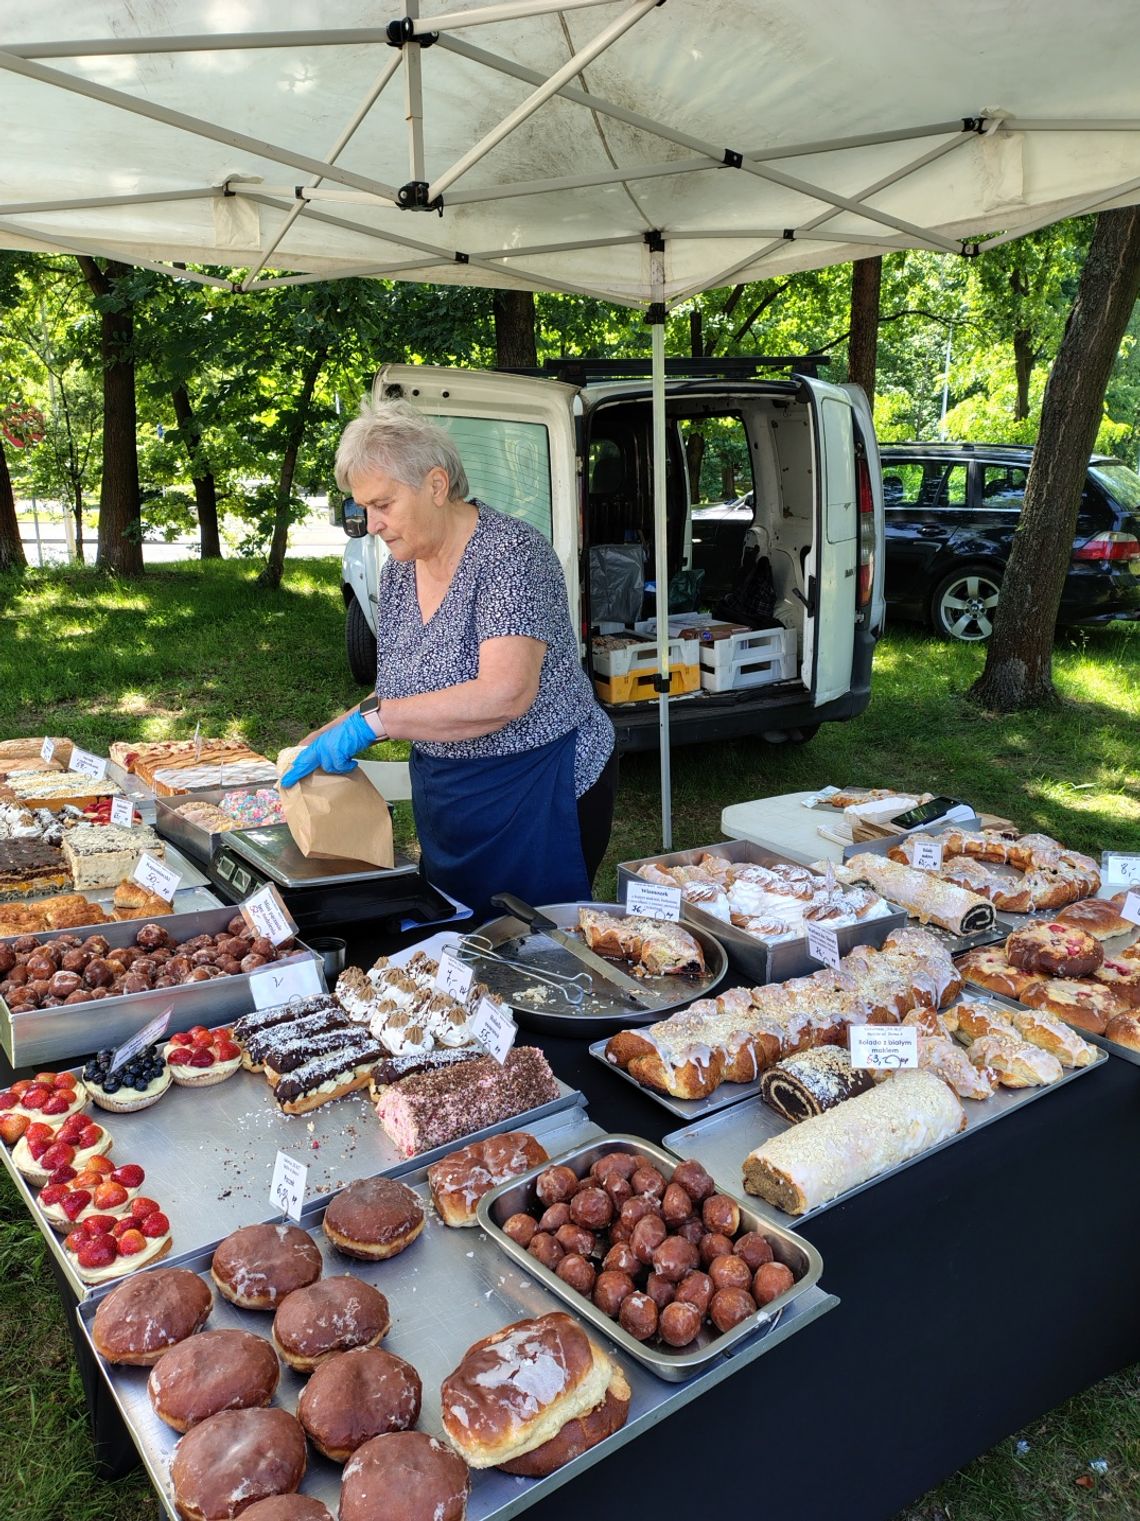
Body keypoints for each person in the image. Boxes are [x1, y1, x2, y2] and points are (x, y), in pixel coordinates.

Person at [282, 398, 617, 921]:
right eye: (362, 507)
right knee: (455, 936)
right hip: (449, 796)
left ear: (436, 485)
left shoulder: (511, 555)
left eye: (383, 504)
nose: (371, 524)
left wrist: (375, 725)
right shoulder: (399, 571)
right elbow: (395, 694)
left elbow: (505, 694)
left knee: (537, 942)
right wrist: (323, 737)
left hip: (535, 787)